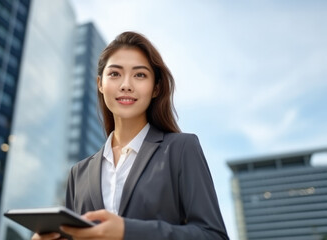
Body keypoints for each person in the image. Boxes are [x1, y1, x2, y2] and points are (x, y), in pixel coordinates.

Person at [32, 31, 229, 240]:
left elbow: (213, 236)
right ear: (100, 83)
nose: (126, 85)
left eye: (140, 75)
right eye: (115, 74)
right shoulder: (78, 174)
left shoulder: (181, 149)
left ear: (156, 88)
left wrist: (127, 232)